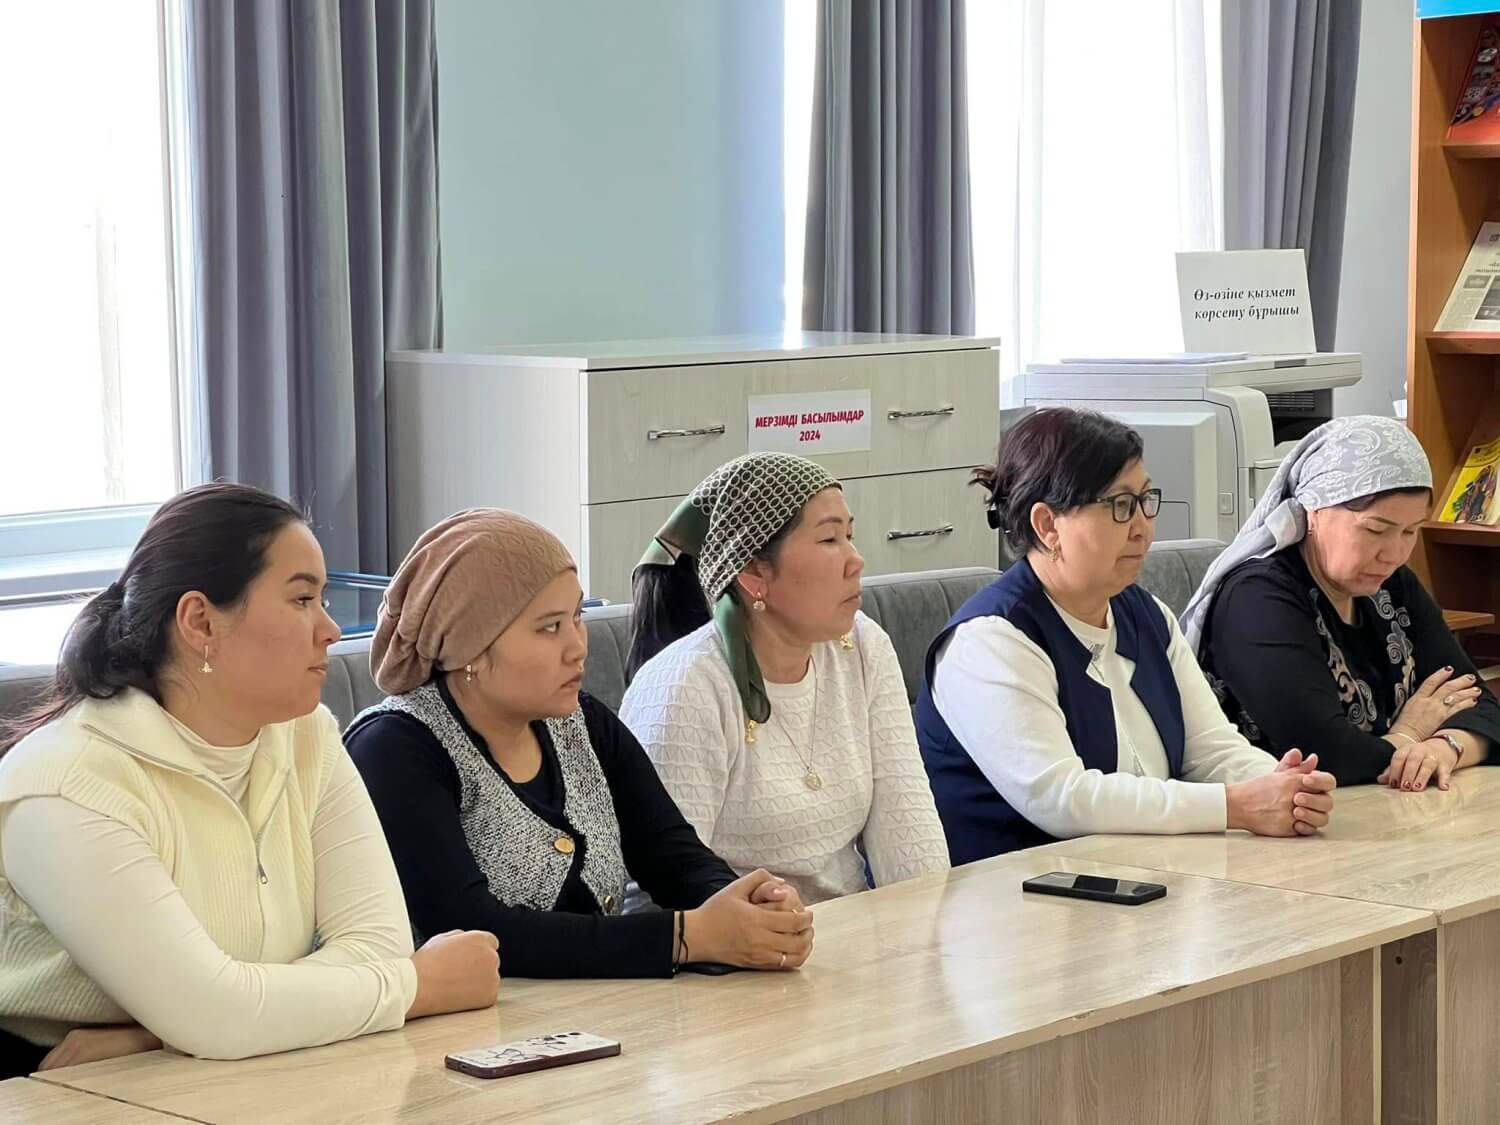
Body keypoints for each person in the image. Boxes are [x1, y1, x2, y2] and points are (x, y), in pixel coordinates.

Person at [0, 484, 498, 1079]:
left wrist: (160, 1034)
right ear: (200, 622)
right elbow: (217, 1015)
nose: (330, 629)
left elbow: (375, 948)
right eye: (302, 599)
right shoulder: (65, 785)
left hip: (225, 1072)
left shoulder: (306, 734)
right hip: (60, 1090)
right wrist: (418, 986)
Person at [343, 509, 813, 978]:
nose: (577, 647)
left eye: (577, 617)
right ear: (470, 645)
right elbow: (471, 926)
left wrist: (750, 907)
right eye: (549, 627)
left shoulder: (582, 721)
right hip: (464, 1023)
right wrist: (686, 936)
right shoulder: (394, 748)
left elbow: (673, 856)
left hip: (597, 1012)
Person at [915, 408, 1336, 864]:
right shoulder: (990, 640)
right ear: (1048, 525)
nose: (1142, 528)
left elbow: (1211, 749)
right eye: (1119, 506)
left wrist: (1285, 785)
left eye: (1144, 500)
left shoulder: (1146, 614)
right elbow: (1062, 798)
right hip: (1013, 891)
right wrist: (1234, 806)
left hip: (1140, 876)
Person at [620, 453, 949, 905]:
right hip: (734, 944)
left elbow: (910, 838)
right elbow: (664, 897)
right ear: (754, 573)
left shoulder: (862, 646)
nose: (856, 560)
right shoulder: (685, 687)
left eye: (850, 536)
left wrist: (928, 933)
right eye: (829, 539)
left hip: (854, 932)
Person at [1181, 415, 1500, 791]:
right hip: (1283, 818)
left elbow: (1482, 707)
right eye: (1375, 530)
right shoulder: (1256, 598)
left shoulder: (1392, 584)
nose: (1395, 554)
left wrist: (1444, 748)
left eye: (1410, 531)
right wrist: (1410, 735)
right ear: (1315, 511)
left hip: (1382, 808)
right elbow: (1324, 753)